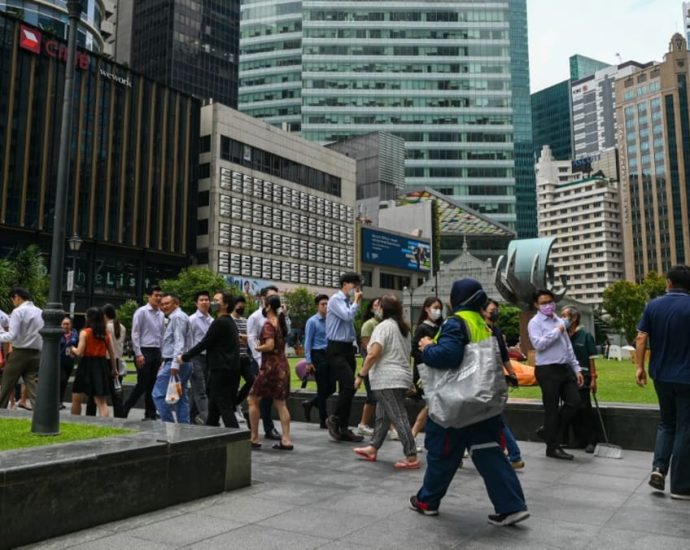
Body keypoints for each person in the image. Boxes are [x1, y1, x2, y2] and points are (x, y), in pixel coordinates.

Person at [412, 278, 528, 525]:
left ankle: (427, 501)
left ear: (456, 299)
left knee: (441, 452)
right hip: (482, 401)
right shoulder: (483, 323)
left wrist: (427, 347)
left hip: (456, 403)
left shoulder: (456, 322)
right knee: (489, 452)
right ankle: (512, 506)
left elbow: (448, 356)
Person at [636, 264, 690, 499]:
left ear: (668, 282)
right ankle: (680, 486)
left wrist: (639, 367)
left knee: (666, 423)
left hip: (660, 374)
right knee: (684, 428)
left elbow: (641, 338)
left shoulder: (653, 305)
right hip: (687, 377)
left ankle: (658, 468)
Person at [352, 295, 419, 469]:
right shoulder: (403, 328)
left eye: (379, 306)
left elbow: (373, 354)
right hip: (400, 377)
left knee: (398, 416)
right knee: (382, 415)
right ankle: (373, 447)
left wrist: (360, 375)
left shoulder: (383, 327)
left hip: (386, 379)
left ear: (384, 309)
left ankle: (411, 456)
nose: (377, 309)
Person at [527, 289, 584, 460]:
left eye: (550, 302)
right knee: (551, 409)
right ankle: (552, 447)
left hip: (564, 367)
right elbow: (539, 344)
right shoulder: (535, 322)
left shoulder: (559, 320)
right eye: (543, 303)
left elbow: (567, 346)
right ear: (536, 305)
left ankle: (548, 430)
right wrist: (558, 330)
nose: (548, 305)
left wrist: (577, 368)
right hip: (547, 370)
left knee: (575, 402)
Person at [180, 291, 241, 428]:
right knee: (213, 408)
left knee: (224, 408)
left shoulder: (219, 322)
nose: (211, 303)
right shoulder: (228, 321)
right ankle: (211, 434)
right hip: (224, 370)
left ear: (225, 304)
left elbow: (205, 343)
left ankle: (236, 439)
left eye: (216, 300)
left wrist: (185, 357)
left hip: (221, 371)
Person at [248, 295, 293, 450]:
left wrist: (257, 347)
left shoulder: (268, 324)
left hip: (270, 366)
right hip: (282, 365)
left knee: (253, 399)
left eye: (263, 305)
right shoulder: (280, 323)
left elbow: (269, 345)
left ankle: (254, 437)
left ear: (268, 307)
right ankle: (286, 439)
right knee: (280, 403)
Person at [482, 299, 523, 469]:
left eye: (496, 310)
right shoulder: (488, 329)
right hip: (490, 378)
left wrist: (512, 373)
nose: (495, 313)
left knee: (494, 418)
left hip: (488, 380)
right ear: (483, 311)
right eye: (492, 310)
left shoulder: (493, 331)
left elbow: (504, 356)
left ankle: (514, 455)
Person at [325, 272, 364, 443]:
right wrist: (356, 302)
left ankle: (344, 427)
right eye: (354, 286)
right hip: (336, 348)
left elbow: (349, 326)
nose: (356, 290)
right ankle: (334, 418)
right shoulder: (335, 300)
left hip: (348, 349)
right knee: (349, 385)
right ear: (345, 284)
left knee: (347, 389)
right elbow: (347, 316)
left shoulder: (348, 302)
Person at [247, 285, 283, 441]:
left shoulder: (279, 317)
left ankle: (266, 427)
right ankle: (264, 428)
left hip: (275, 361)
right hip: (260, 360)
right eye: (270, 297)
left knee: (272, 397)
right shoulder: (255, 317)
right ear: (263, 299)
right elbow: (251, 337)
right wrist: (258, 356)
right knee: (260, 396)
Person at [123, 285, 164, 420]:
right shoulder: (141, 312)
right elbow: (135, 333)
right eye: (156, 295)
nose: (159, 298)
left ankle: (150, 413)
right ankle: (125, 409)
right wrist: (138, 353)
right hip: (144, 351)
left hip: (156, 351)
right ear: (149, 296)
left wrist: (161, 354)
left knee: (153, 384)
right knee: (142, 384)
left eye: (160, 295)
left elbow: (161, 335)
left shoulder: (161, 314)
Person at [561, 306, 598, 453]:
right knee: (572, 409)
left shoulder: (585, 336)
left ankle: (591, 440)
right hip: (567, 377)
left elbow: (592, 359)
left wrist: (594, 379)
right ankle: (578, 440)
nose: (562, 318)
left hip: (584, 377)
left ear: (574, 318)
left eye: (565, 316)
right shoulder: (563, 335)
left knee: (585, 409)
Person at [70, 307, 118, 417]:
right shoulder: (106, 334)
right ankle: (104, 424)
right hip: (101, 365)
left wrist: (72, 348)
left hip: (86, 365)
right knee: (101, 401)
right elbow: (112, 354)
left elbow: (79, 352)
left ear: (89, 318)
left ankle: (74, 421)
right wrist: (114, 369)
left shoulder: (85, 332)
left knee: (77, 397)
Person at [0, 287, 43, 408]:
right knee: (32, 383)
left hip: (20, 352)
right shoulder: (40, 311)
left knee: (7, 382)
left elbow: (12, 335)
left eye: (13, 300)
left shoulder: (18, 311)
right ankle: (39, 410)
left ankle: (1, 409)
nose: (13, 303)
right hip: (36, 353)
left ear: (17, 297)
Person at [152, 293, 192, 423]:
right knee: (181, 396)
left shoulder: (178, 317)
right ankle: (183, 426)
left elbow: (179, 342)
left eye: (167, 303)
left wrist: (174, 365)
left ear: (176, 303)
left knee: (157, 394)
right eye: (162, 304)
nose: (163, 306)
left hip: (177, 362)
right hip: (181, 361)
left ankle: (168, 423)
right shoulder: (179, 317)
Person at [410, 297, 444, 440]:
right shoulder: (423, 328)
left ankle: (413, 437)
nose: (438, 311)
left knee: (433, 406)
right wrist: (430, 356)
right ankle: (412, 436)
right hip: (426, 373)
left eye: (439, 308)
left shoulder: (439, 327)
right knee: (432, 405)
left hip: (437, 372)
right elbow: (414, 350)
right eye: (435, 307)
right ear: (426, 309)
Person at [302, 294, 332, 428]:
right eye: (323, 304)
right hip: (317, 355)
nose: (325, 306)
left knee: (331, 387)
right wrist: (308, 361)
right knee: (322, 387)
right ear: (317, 306)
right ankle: (323, 420)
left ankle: (311, 403)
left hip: (329, 354)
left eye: (327, 304)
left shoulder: (331, 320)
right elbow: (307, 342)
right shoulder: (312, 321)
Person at [356, 297, 381, 436]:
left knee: (381, 398)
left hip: (381, 365)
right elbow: (367, 347)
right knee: (372, 396)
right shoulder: (369, 325)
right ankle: (363, 424)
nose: (379, 308)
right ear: (371, 308)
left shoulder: (385, 324)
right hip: (371, 365)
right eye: (376, 305)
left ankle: (390, 428)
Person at [188, 290, 212, 424]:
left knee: (200, 390)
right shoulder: (191, 320)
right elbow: (189, 341)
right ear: (196, 303)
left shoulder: (212, 320)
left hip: (209, 359)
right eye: (201, 300)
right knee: (201, 391)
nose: (204, 302)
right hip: (195, 358)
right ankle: (209, 420)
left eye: (206, 299)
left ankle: (190, 418)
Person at [231, 295, 252, 424]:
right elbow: (233, 337)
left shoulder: (246, 321)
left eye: (243, 306)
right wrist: (242, 337)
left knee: (251, 380)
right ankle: (235, 408)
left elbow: (250, 337)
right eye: (239, 306)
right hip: (234, 357)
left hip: (245, 357)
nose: (241, 308)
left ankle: (236, 402)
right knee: (234, 384)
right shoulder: (230, 320)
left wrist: (244, 338)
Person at [59, 317, 79, 409]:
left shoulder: (75, 335)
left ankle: (60, 401)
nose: (65, 326)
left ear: (71, 325)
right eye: (64, 324)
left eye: (67, 324)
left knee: (65, 382)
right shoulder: (58, 335)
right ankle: (57, 401)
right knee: (61, 380)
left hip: (69, 362)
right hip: (59, 361)